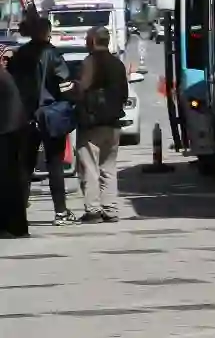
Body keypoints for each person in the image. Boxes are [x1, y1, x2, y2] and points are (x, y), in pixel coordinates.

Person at [8, 13, 74, 226]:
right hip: (50, 113)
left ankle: (19, 214)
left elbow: (11, 81)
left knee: (25, 165)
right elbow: (65, 83)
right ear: (46, 32)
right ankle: (60, 212)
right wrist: (69, 100)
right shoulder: (52, 54)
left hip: (25, 115)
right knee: (54, 163)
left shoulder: (20, 54)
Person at [73, 27, 128, 223]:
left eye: (87, 39)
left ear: (93, 41)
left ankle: (93, 210)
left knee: (89, 167)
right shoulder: (117, 64)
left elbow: (82, 88)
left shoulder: (90, 62)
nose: (86, 43)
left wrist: (75, 94)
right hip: (113, 124)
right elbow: (124, 94)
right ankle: (111, 209)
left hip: (92, 123)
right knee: (109, 168)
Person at [0, 56, 28, 237]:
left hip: (6, 132)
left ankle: (6, 227)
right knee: (12, 181)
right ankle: (17, 227)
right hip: (12, 131)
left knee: (5, 182)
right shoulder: (5, 76)